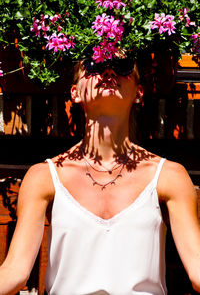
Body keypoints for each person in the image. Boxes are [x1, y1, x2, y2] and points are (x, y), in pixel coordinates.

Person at [0, 56, 200, 295]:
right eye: (94, 64)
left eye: (122, 67)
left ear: (139, 92)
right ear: (75, 92)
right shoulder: (43, 176)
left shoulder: (169, 175)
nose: (108, 72)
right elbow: (15, 272)